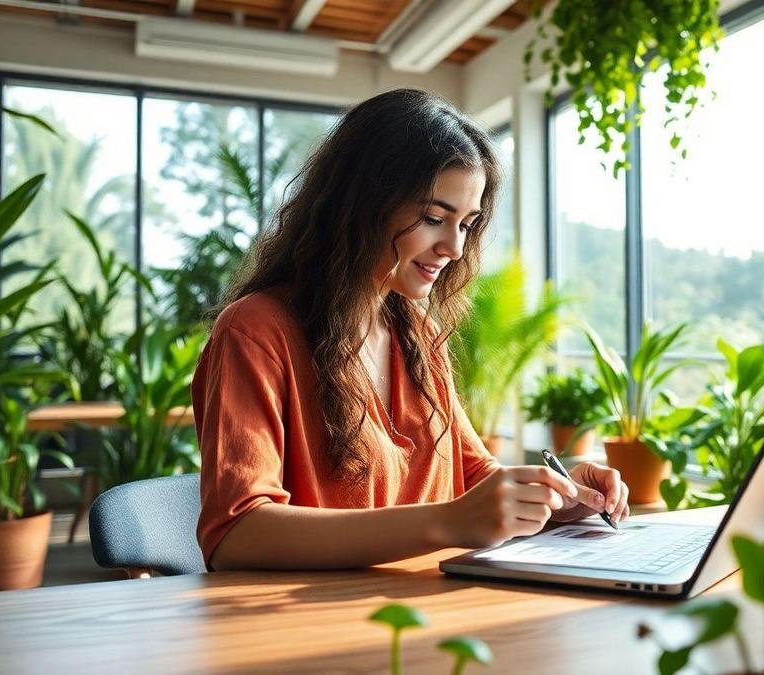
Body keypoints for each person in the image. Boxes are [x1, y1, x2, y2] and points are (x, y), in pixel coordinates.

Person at [194, 88, 630, 572]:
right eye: (433, 218)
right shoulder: (256, 331)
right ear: (360, 204)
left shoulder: (417, 332)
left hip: (433, 612)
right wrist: (445, 523)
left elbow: (472, 477)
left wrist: (559, 495)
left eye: (467, 224)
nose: (455, 248)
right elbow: (236, 534)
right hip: (320, 628)